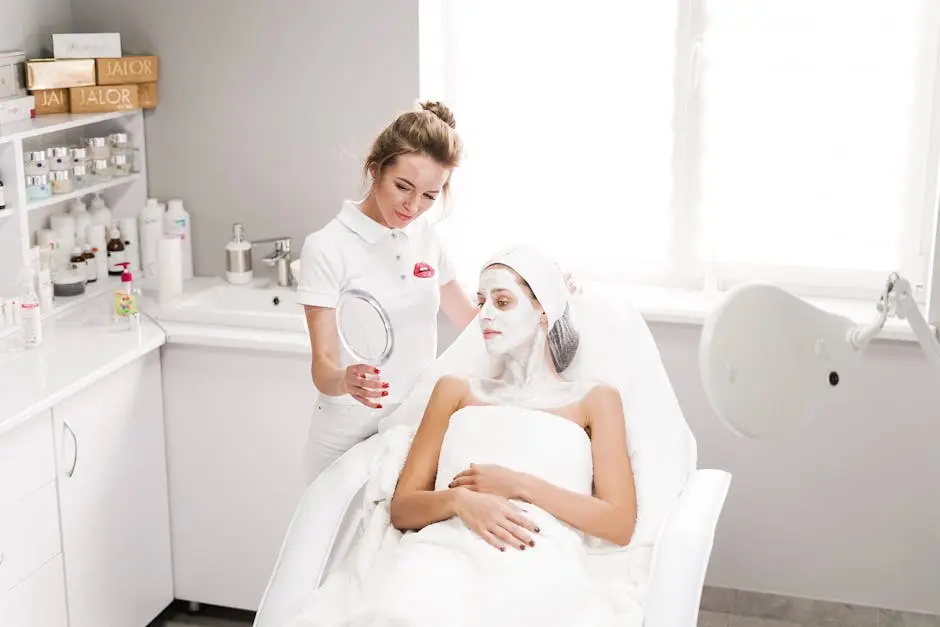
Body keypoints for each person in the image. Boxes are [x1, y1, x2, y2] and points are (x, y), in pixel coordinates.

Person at [286, 246, 638, 626]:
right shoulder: (454, 391)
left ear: (543, 310)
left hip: (534, 558)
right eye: (482, 301)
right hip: (439, 554)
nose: (484, 314)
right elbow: (403, 509)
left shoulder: (595, 400)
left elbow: (617, 524)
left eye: (502, 302)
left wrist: (516, 484)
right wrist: (459, 501)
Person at [296, 101, 479, 484]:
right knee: (333, 542)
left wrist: (536, 297)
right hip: (346, 431)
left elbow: (470, 322)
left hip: (412, 422)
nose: (413, 206)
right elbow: (323, 367)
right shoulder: (328, 247)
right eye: (403, 187)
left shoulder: (427, 239)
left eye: (430, 195)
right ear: (375, 169)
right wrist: (347, 379)